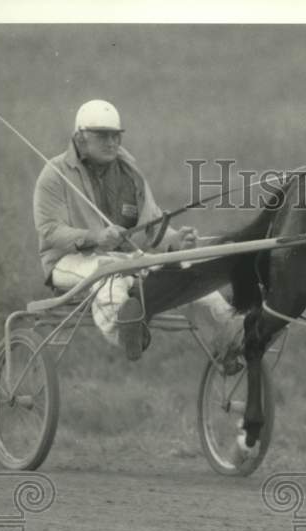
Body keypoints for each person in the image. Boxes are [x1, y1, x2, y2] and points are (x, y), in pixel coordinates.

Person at [33, 99, 241, 361]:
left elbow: (152, 228)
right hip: (68, 261)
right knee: (108, 274)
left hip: (125, 260)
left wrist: (176, 241)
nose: (112, 143)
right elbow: (50, 230)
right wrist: (95, 237)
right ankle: (126, 332)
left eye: (115, 136)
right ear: (80, 138)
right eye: (102, 136)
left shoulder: (129, 173)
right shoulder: (55, 174)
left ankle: (233, 332)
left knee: (189, 268)